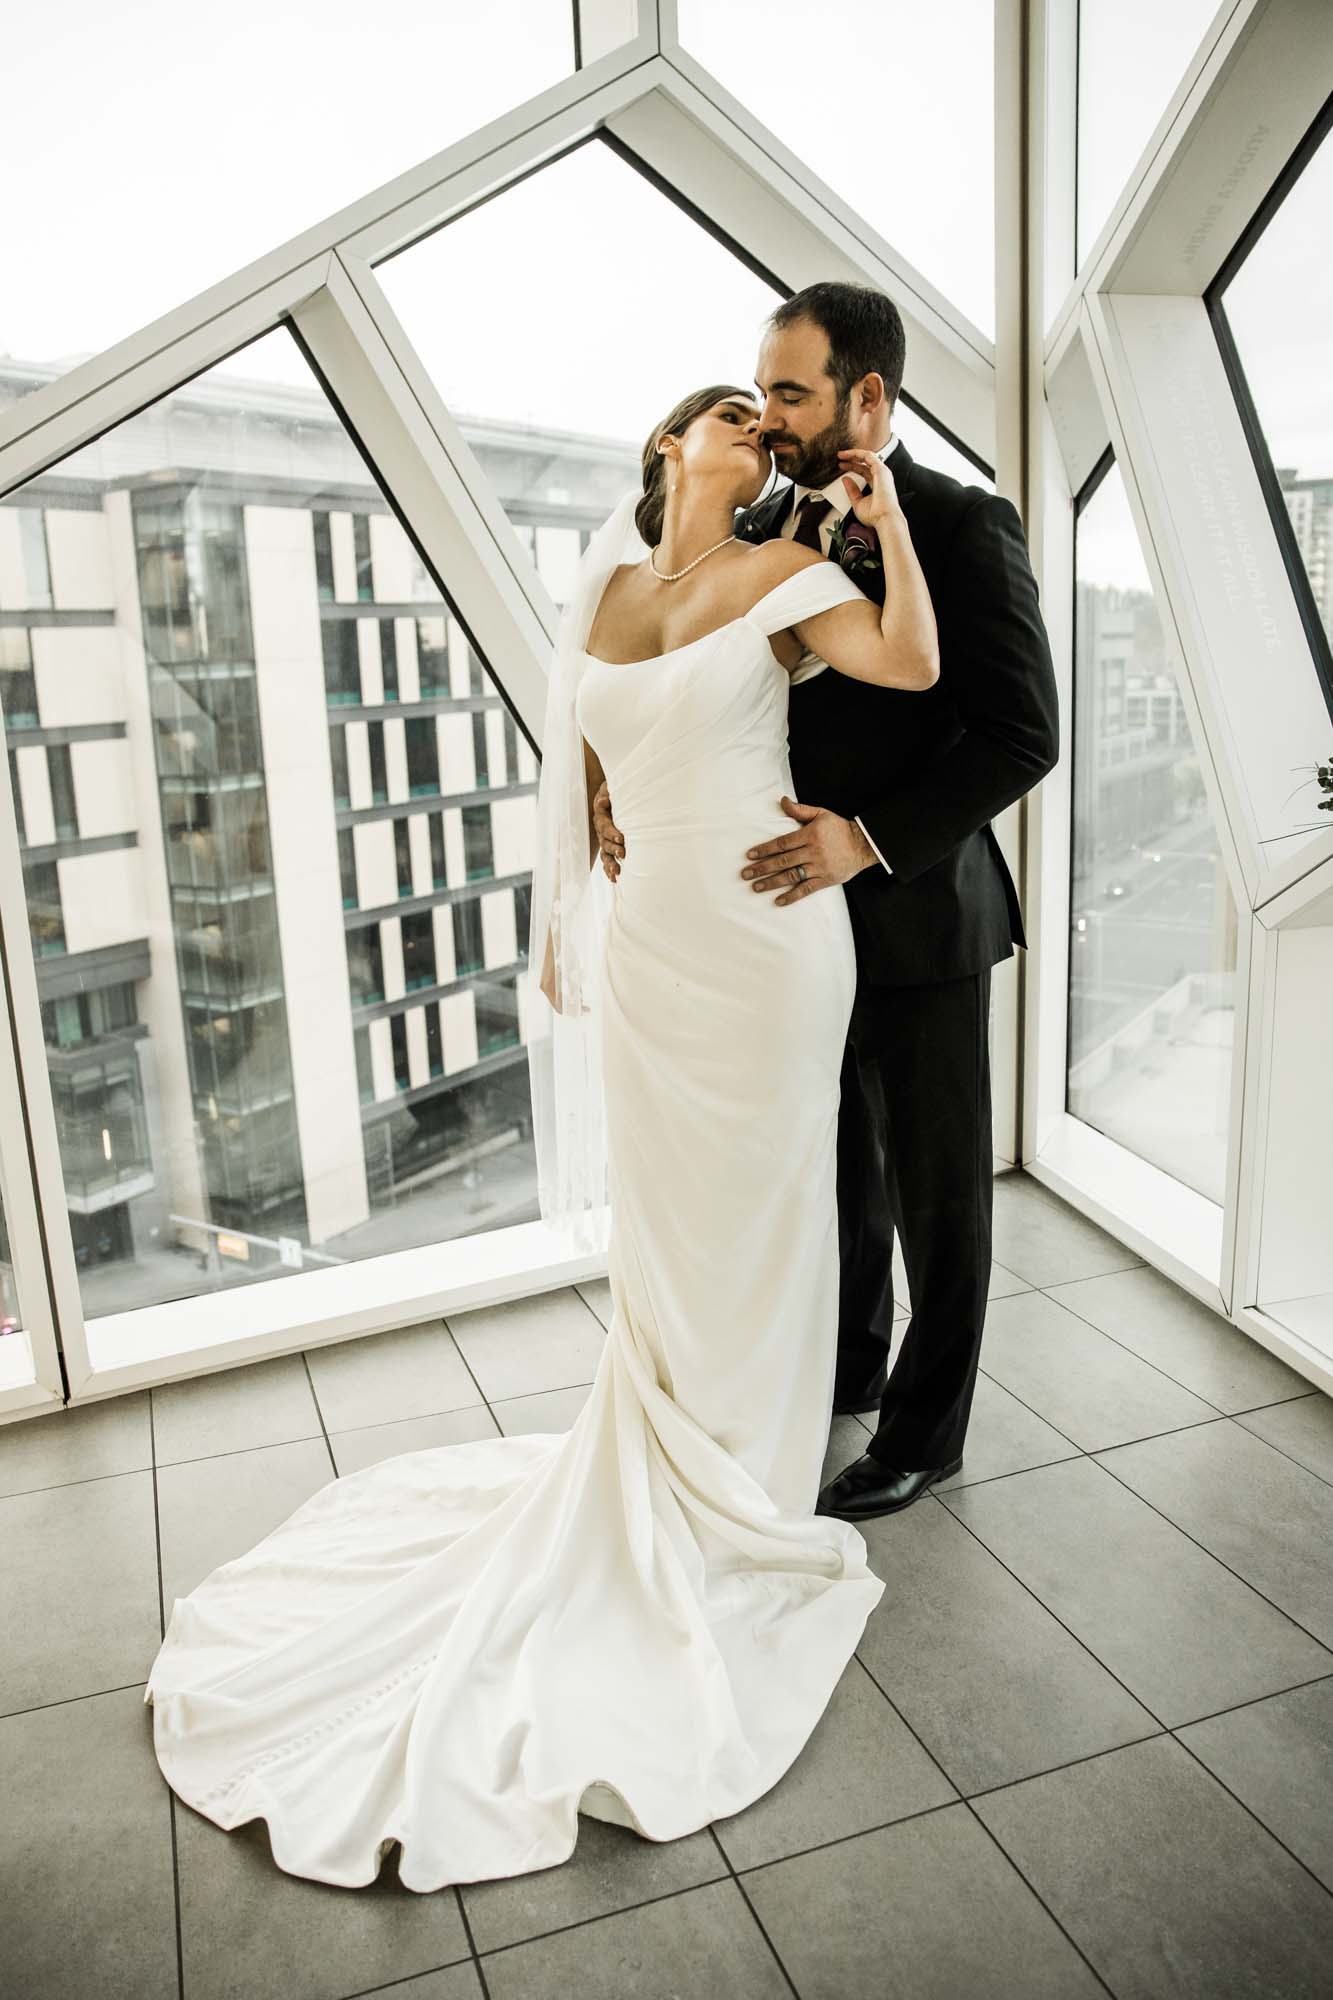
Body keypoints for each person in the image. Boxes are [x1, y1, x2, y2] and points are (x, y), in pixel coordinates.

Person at [141, 381, 939, 1894]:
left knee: (772, 1210)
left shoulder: (785, 571)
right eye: (729, 415)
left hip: (768, 938)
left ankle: (748, 1485)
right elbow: (578, 721)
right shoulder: (611, 586)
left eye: (765, 426)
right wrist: (599, 805)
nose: (754, 432)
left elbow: (906, 661)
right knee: (671, 1216)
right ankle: (670, 1451)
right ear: (669, 446)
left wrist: (884, 516)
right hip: (654, 946)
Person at [595, 284, 1059, 1522]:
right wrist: (615, 789)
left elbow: (1022, 733)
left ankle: (922, 1434)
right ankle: (848, 1364)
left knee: (936, 1195)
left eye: (791, 392)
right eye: (762, 390)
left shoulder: (960, 522)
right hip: (775, 928)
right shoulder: (766, 523)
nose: (771, 414)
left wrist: (867, 839)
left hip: (916, 912)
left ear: (868, 394)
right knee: (834, 1166)